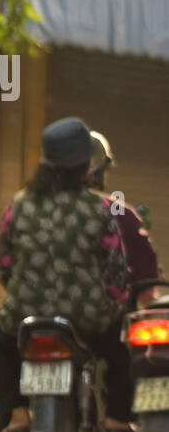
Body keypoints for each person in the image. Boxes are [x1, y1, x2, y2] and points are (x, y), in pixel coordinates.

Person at [0, 117, 132, 432]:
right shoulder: (99, 209)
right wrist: (117, 303)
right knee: (119, 350)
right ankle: (115, 419)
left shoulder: (19, 204)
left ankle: (18, 414)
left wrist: (22, 294)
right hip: (87, 317)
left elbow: (5, 264)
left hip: (26, 315)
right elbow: (115, 272)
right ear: (86, 164)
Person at [88, 130, 160, 306]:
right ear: (97, 170)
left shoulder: (26, 207)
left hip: (31, 321)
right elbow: (147, 285)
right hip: (103, 326)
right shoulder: (120, 215)